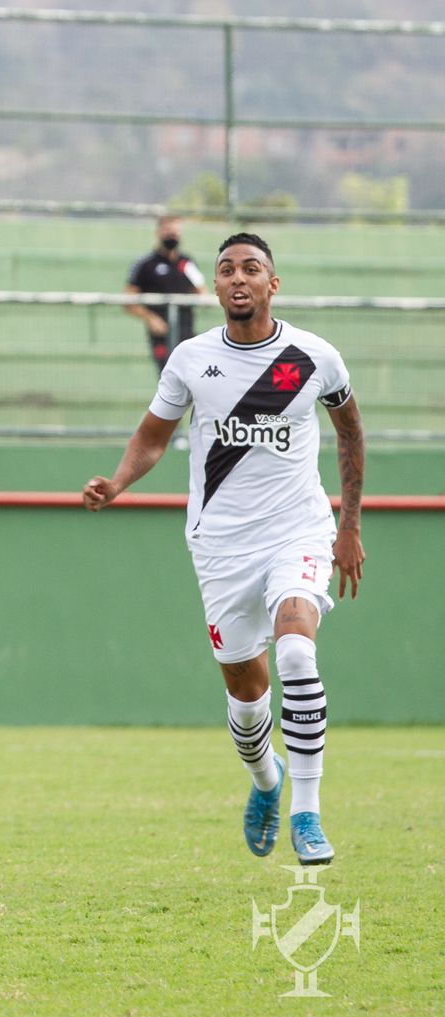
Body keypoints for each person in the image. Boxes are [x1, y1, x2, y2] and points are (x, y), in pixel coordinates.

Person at [83, 233, 365, 866]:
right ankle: (266, 780)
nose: (239, 278)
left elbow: (350, 433)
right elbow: (152, 437)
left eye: (251, 268)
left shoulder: (314, 357)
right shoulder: (190, 359)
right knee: (245, 690)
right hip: (222, 545)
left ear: (272, 284)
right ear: (214, 286)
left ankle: (308, 814)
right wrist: (118, 482)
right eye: (227, 270)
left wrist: (348, 525)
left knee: (296, 649)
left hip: (298, 530)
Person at [125, 215, 207, 375]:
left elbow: (202, 291)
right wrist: (151, 318)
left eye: (176, 232)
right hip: (161, 336)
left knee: (192, 376)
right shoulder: (146, 265)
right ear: (159, 233)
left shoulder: (187, 263)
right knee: (168, 375)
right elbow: (128, 301)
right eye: (168, 231)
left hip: (186, 333)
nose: (172, 235)